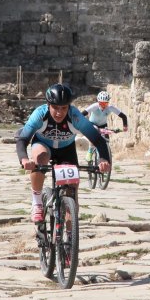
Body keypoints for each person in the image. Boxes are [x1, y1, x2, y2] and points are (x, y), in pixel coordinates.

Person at [16, 83, 111, 223]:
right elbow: (23, 139)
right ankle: (37, 203)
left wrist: (103, 159)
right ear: (48, 105)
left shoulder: (75, 116)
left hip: (66, 149)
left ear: (69, 107)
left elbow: (98, 140)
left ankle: (69, 236)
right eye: (55, 108)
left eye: (64, 108)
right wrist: (24, 159)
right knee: (40, 158)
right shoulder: (39, 114)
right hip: (43, 145)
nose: (59, 112)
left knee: (72, 193)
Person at [80, 91, 128, 162]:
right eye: (101, 103)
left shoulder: (110, 108)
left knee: (106, 141)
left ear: (108, 103)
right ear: (98, 102)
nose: (103, 105)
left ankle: (105, 157)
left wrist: (125, 126)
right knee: (95, 131)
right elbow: (81, 114)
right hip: (92, 123)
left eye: (105, 103)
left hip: (103, 125)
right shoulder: (94, 106)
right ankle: (90, 151)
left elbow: (124, 116)